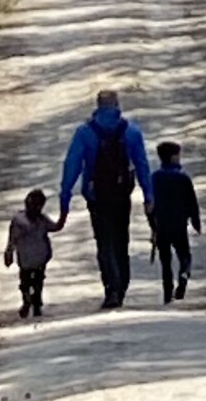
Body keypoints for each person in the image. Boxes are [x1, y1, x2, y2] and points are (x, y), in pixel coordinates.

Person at [59, 90, 153, 309]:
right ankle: (122, 284)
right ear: (117, 105)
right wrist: (148, 194)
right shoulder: (131, 131)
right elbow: (142, 164)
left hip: (97, 196)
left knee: (104, 241)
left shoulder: (85, 132)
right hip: (121, 193)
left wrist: (65, 196)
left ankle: (111, 287)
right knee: (121, 238)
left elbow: (72, 164)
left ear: (98, 106)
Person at [149, 142, 202, 304]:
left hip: (161, 226)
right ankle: (184, 275)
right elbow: (192, 202)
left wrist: (152, 225)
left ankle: (167, 292)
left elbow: (150, 203)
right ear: (173, 157)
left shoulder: (155, 178)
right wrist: (196, 222)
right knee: (184, 255)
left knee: (165, 261)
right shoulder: (182, 178)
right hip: (179, 225)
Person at [4, 189, 64, 318]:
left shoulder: (21, 220)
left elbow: (12, 240)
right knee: (33, 281)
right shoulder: (29, 220)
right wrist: (63, 215)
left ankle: (32, 302)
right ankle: (32, 302)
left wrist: (9, 252)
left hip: (32, 257)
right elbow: (56, 227)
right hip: (35, 257)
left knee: (31, 281)